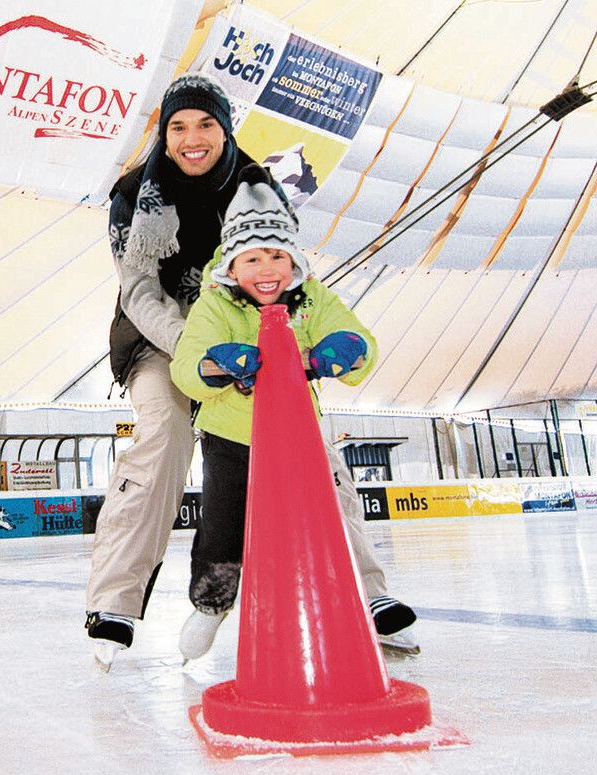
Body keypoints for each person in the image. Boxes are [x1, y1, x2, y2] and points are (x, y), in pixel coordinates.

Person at [84, 73, 414, 670]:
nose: (192, 138)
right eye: (178, 127)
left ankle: (368, 591)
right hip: (165, 335)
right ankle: (116, 601)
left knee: (306, 433)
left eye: (205, 124)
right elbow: (138, 290)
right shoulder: (134, 195)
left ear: (225, 128)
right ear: (163, 134)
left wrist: (294, 336)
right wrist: (199, 350)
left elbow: (283, 264)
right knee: (164, 431)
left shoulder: (258, 184)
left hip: (255, 326)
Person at [168, 164, 416, 660]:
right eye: (253, 258)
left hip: (301, 434)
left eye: (278, 256)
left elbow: (359, 339)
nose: (266, 270)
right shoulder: (215, 306)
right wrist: (216, 364)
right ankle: (212, 605)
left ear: (295, 261)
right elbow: (185, 368)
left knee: (337, 512)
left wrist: (348, 348)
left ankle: (370, 596)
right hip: (232, 437)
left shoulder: (312, 300)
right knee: (223, 526)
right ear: (231, 266)